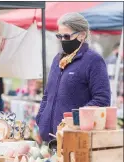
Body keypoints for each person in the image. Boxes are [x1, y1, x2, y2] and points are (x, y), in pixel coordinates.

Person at [36, 12, 111, 142]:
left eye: (66, 36)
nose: (62, 40)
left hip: (74, 138)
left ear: (82, 35)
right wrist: (41, 119)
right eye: (59, 36)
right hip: (49, 139)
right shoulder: (57, 60)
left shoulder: (93, 61)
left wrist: (73, 122)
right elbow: (47, 95)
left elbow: (102, 100)